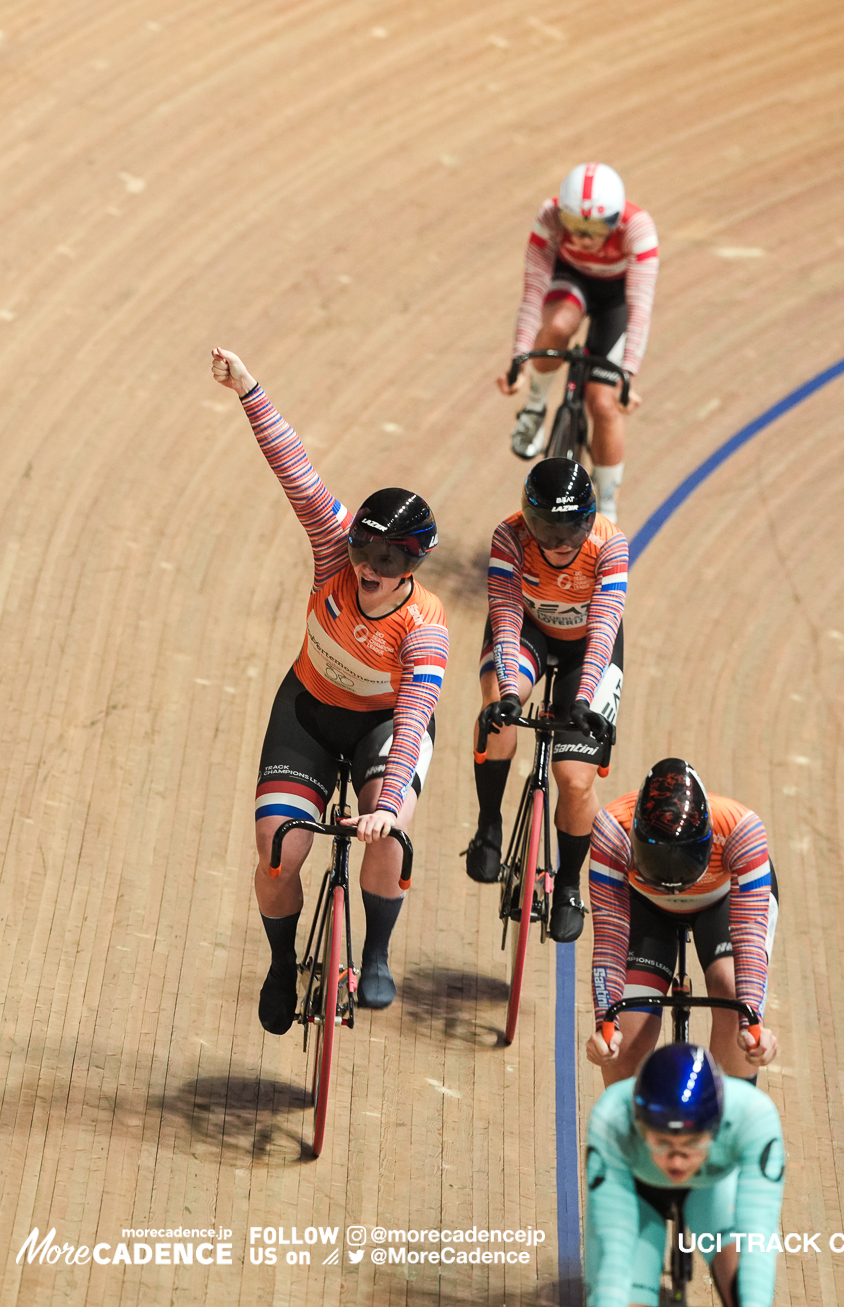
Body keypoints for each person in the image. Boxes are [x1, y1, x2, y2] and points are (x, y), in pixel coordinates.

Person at [211, 347, 450, 1032]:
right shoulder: (331, 553)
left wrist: (388, 808)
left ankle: (375, 951)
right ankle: (283, 962)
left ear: (411, 566)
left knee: (390, 834)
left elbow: (412, 720)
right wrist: (250, 388)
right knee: (278, 849)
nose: (369, 572)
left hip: (382, 730)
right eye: (363, 554)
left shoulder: (423, 626)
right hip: (310, 714)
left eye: (387, 563)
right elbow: (297, 474)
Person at [465, 458, 627, 945]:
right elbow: (507, 613)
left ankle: (570, 886)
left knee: (574, 780)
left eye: (570, 530)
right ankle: (488, 822)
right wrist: (511, 693)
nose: (558, 544)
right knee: (498, 710)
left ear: (589, 520)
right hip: (529, 632)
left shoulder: (609, 543)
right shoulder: (509, 537)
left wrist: (581, 698)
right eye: (547, 530)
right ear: (527, 521)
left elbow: (603, 627)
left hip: (587, 649)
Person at [584, 759, 780, 1083]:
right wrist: (606, 1027)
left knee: (732, 997)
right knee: (621, 1051)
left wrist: (752, 1027)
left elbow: (749, 938)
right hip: (647, 905)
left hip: (721, 901)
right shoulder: (612, 830)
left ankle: (729, 1121)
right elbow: (610, 937)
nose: (674, 885)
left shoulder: (741, 829)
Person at [496, 162, 659, 523]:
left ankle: (609, 507)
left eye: (596, 229)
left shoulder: (639, 229)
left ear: (616, 220)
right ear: (562, 216)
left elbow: (640, 307)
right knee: (556, 325)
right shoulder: (550, 215)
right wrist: (519, 358)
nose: (585, 239)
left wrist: (627, 375)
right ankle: (535, 409)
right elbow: (533, 293)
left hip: (616, 298)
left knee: (602, 402)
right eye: (576, 227)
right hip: (571, 281)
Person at [585, 1042, 785, 1307]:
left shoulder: (753, 1115)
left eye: (692, 1144)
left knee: (745, 1288)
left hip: (712, 1190)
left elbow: (757, 1232)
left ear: (715, 1128)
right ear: (638, 1125)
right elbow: (614, 1252)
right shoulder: (612, 1118)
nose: (677, 1162)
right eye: (662, 1143)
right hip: (638, 1194)